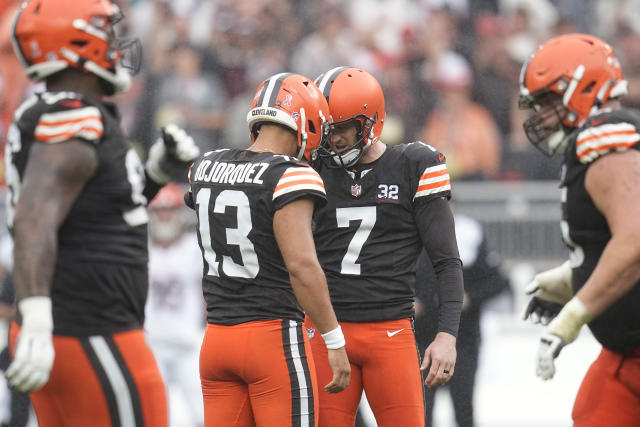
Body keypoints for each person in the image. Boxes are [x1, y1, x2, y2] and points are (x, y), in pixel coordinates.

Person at [5, 0, 199, 425]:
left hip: (71, 323)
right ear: (76, 44)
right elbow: (35, 219)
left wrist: (153, 174)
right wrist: (37, 316)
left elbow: (95, 212)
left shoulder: (61, 113)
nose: (116, 45)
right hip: (91, 327)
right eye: (105, 34)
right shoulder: (75, 118)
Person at [186, 72, 351, 426]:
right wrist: (334, 339)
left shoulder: (205, 166)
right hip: (271, 338)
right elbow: (302, 267)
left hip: (216, 340)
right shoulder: (290, 174)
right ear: (305, 123)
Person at [307, 66, 465, 427]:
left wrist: (447, 333)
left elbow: (446, 261)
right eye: (327, 128)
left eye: (343, 127)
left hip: (389, 331)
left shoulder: (413, 165)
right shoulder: (311, 167)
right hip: (326, 331)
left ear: (369, 122)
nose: (334, 139)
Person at [519, 33, 640, 426]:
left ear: (582, 91)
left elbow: (635, 240)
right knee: (594, 408)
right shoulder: (597, 144)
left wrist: (572, 317)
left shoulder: (604, 137)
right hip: (624, 354)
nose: (540, 116)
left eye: (548, 102)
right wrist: (576, 277)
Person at [414, 213, 510, 427]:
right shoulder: (410, 230)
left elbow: (497, 281)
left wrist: (470, 297)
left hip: (462, 339)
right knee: (421, 412)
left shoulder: (468, 232)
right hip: (421, 339)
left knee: (463, 409)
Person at [145, 183, 205, 427]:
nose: (164, 216)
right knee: (154, 415)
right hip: (152, 343)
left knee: (203, 413)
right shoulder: (142, 249)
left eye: (169, 209)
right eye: (159, 210)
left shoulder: (195, 247)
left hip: (189, 342)